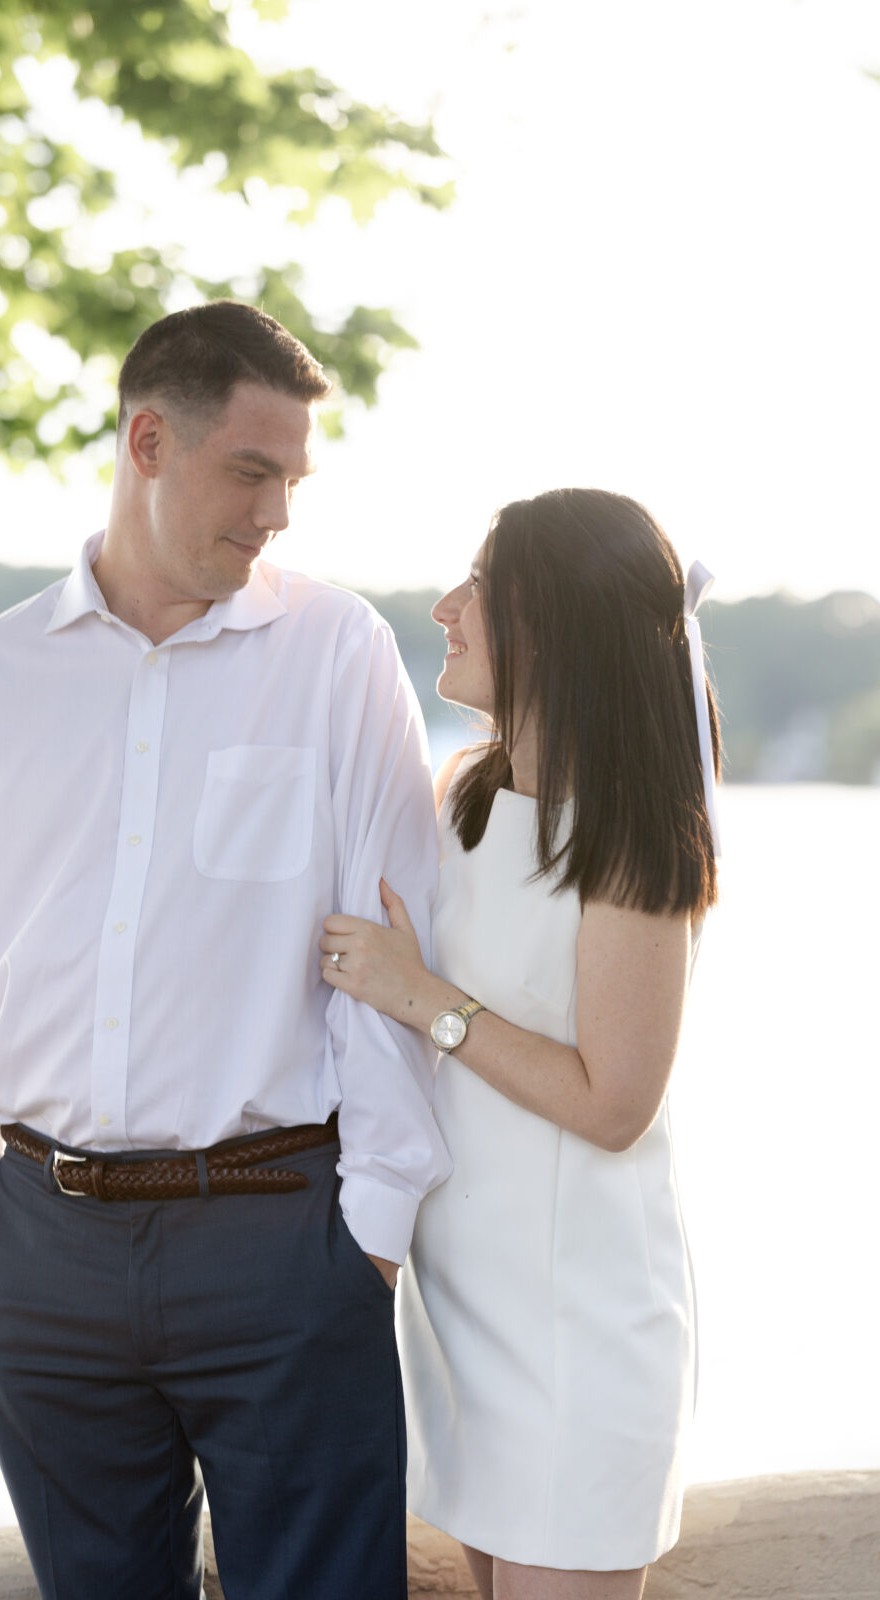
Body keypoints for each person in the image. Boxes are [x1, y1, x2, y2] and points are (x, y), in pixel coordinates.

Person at [0, 300, 452, 1600]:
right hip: (35, 1253)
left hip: (282, 1244)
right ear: (148, 439)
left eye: (292, 480)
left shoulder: (335, 654)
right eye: (252, 472)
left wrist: (369, 1227)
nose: (277, 514)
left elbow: (390, 941)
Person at [319, 488, 721, 1600]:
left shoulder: (634, 839)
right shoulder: (462, 798)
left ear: (551, 625)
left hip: (577, 1335)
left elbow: (613, 1102)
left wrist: (422, 997)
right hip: (463, 1317)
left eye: (479, 589)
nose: (445, 606)